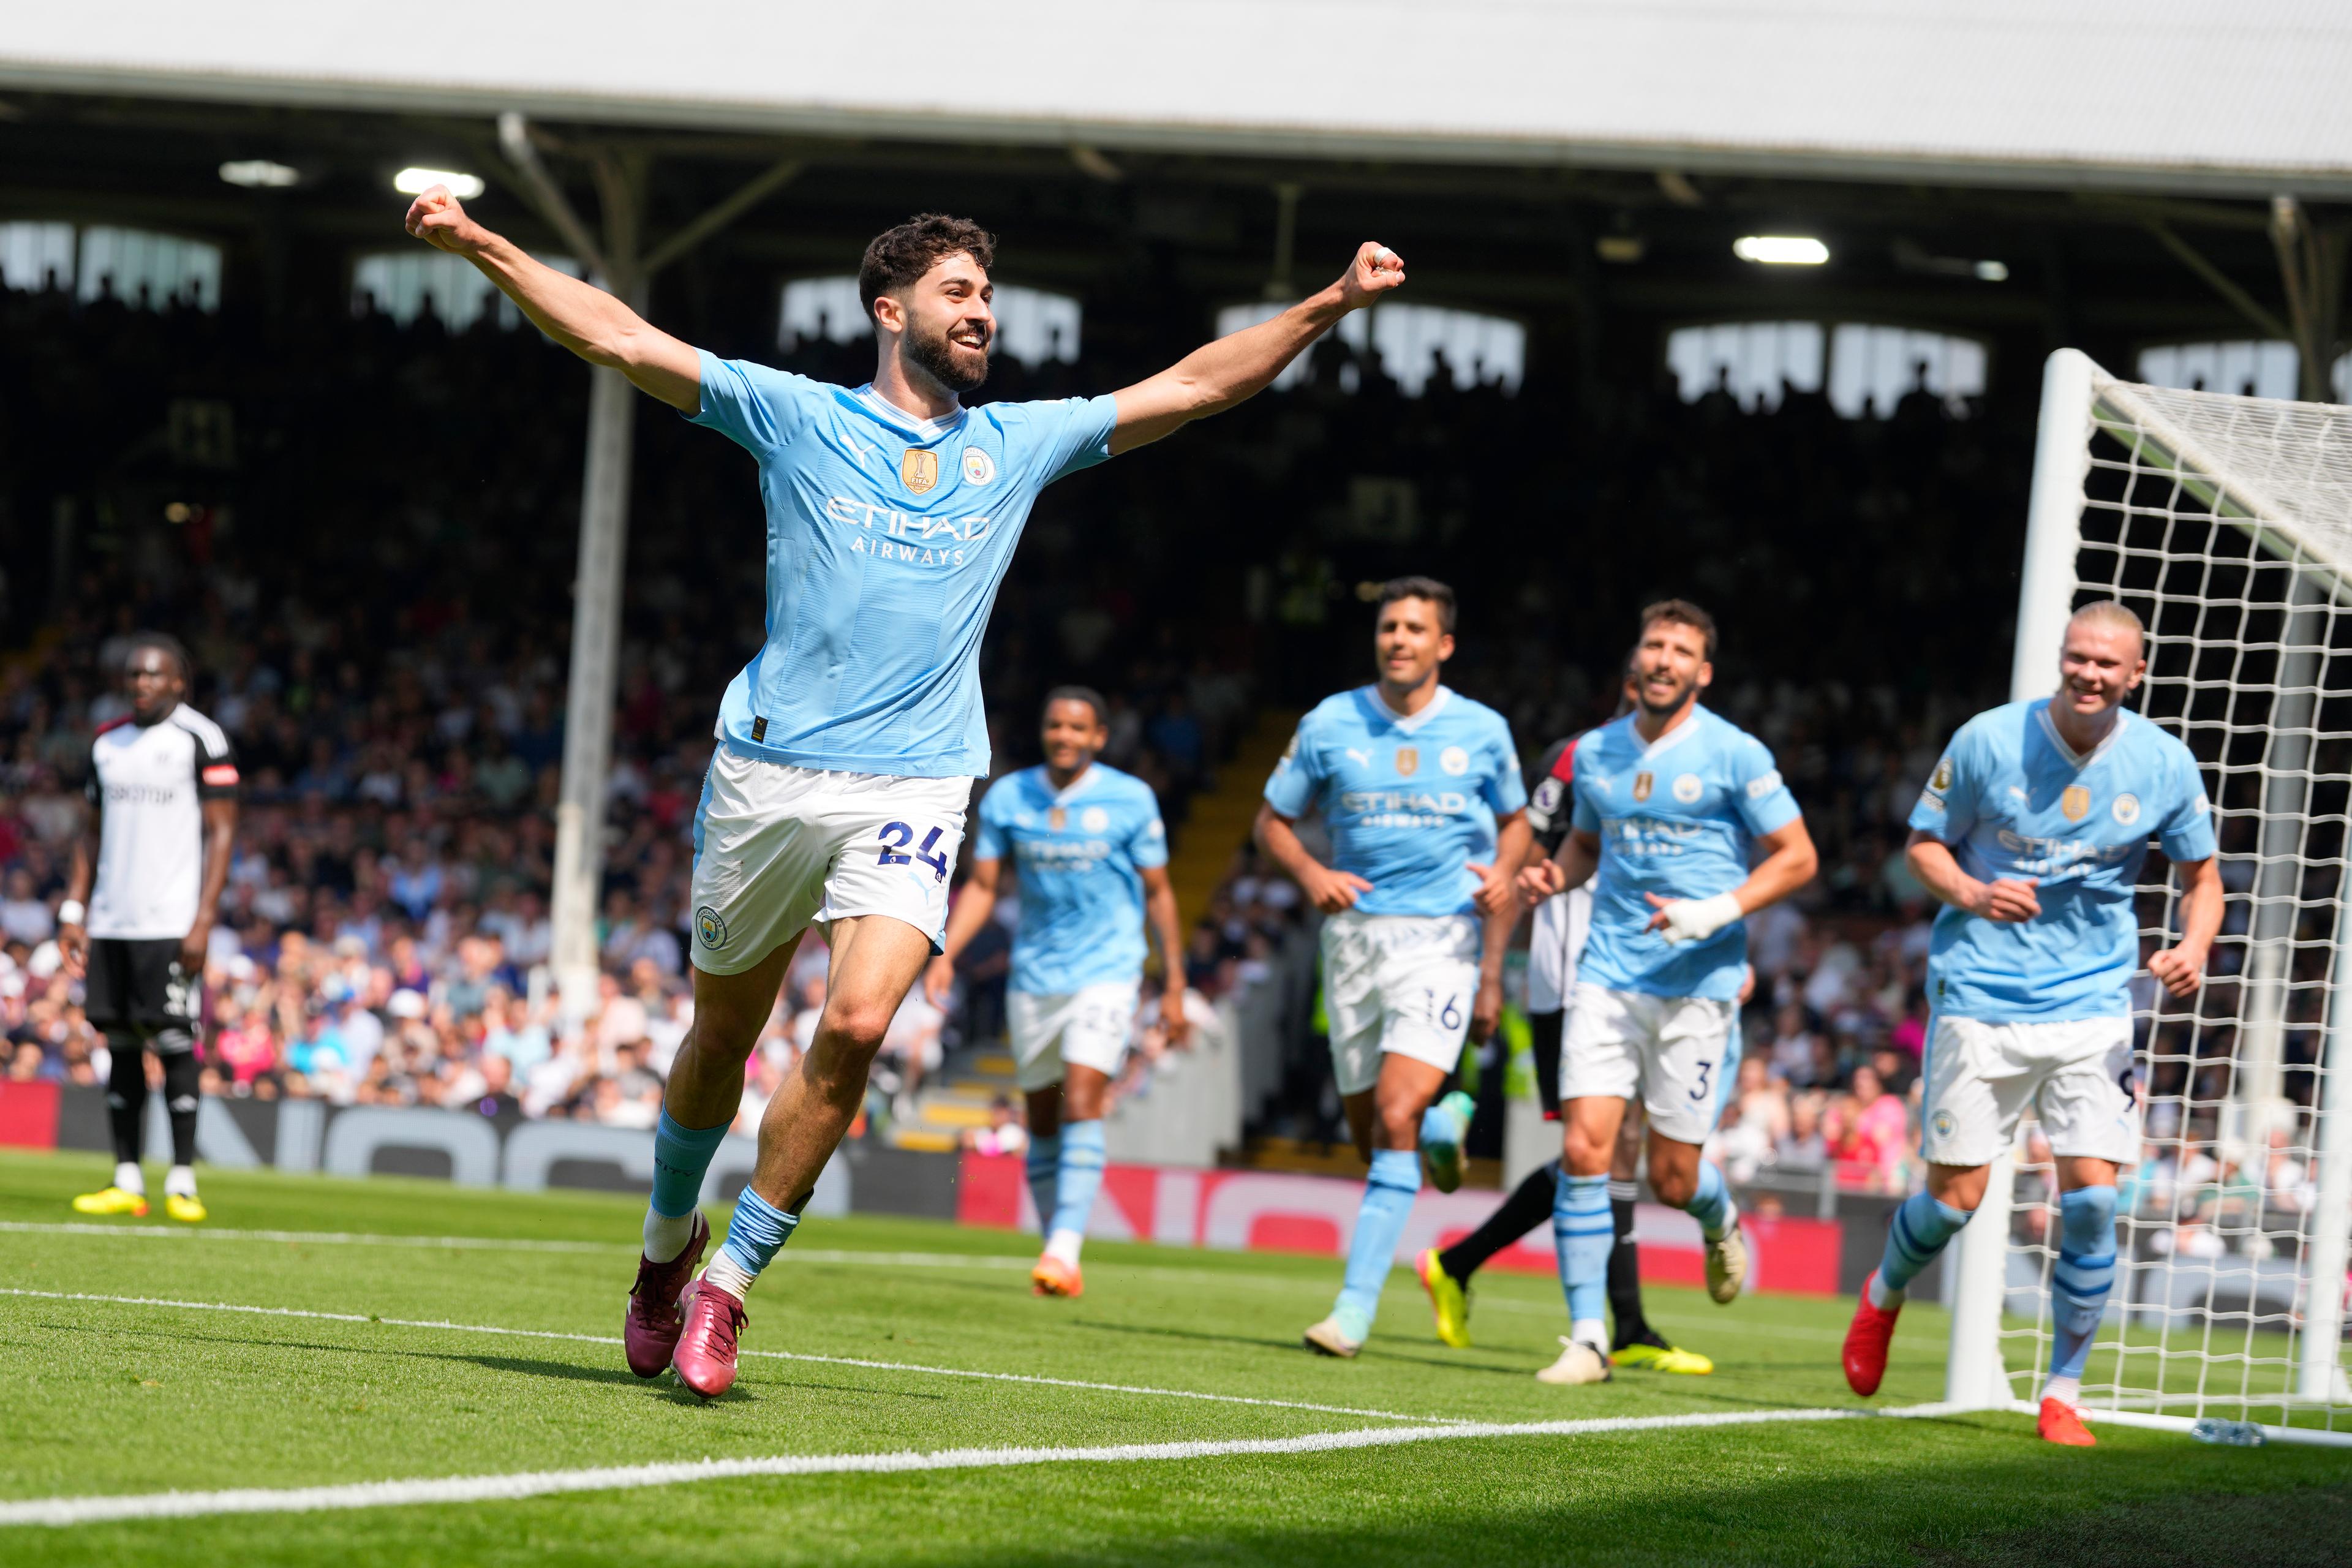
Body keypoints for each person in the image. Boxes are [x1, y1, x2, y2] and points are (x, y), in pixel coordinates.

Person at [404, 185, 1406, 1398]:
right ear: (891, 308)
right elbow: (616, 336)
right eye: (959, 292)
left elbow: (1197, 386)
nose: (984, 311)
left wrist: (1332, 304)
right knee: (724, 1033)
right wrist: (482, 244)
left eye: (988, 294)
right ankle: (667, 1250)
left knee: (863, 1021)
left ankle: (732, 1284)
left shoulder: (1014, 442)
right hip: (768, 771)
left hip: (921, 779)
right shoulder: (794, 414)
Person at [1841, 601, 2220, 1447]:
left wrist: (2193, 945)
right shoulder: (1987, 741)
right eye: (2077, 658)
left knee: (2092, 1200)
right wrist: (1975, 893)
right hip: (1980, 996)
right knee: (1954, 1204)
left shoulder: (2163, 763)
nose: (2089, 674)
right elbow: (1923, 848)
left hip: (2093, 1006)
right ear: (2062, 658)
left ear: (2136, 674)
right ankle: (1884, 1297)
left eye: (2107, 664)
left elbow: (2204, 879)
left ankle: (2063, 1390)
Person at [1517, 599, 1818, 1384]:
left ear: (1702, 672)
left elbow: (1797, 856)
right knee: (1585, 1151)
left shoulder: (1735, 754)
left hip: (1699, 986)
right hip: (1608, 976)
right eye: (1654, 645)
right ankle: (1587, 1337)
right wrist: (1558, 876)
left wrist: (1713, 912)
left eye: (1681, 651)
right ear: (1635, 660)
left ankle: (1720, 1221)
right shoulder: (1597, 752)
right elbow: (1586, 841)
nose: (1664, 660)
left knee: (1672, 1178)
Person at [1256, 578, 1529, 1358]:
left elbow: (1516, 825)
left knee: (1397, 1115)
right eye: (1388, 627)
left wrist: (1505, 871)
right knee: (1373, 1135)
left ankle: (1351, 1311)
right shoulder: (1329, 722)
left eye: (1415, 628)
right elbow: (1272, 820)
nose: (1399, 638)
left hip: (1439, 941)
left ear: (1444, 644)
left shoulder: (1481, 731)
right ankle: (1453, 1121)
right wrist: (1312, 875)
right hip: (1352, 942)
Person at [1416, 672, 1716, 1374]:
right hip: (1575, 974)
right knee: (1603, 1145)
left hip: (1645, 975)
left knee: (1617, 1145)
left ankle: (1471, 1267)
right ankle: (1612, 1318)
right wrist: (1492, 973)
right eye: (1648, 669)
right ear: (1628, 683)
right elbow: (1519, 855)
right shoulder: (1578, 756)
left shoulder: (1692, 765)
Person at [925, 687, 1188, 1298]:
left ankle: (1065, 1248)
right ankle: (1057, 1241)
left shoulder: (1130, 799)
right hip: (1036, 975)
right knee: (1041, 1114)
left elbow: (1160, 893)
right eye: (1055, 726)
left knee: (1083, 1096)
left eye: (1078, 728)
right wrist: (948, 953)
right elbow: (985, 886)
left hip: (1109, 970)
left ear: (1100, 736)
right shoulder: (1012, 796)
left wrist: (1174, 981)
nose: (1065, 736)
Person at [58, 634, 239, 1224]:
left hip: (171, 919)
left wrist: (204, 917)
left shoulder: (201, 738)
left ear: (179, 682)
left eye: (154, 675)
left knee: (175, 1039)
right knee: (122, 1043)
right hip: (113, 919)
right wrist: (75, 909)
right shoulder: (108, 743)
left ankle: (183, 1180)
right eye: (135, 674)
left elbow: (222, 832)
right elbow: (91, 832)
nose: (141, 683)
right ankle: (126, 1178)